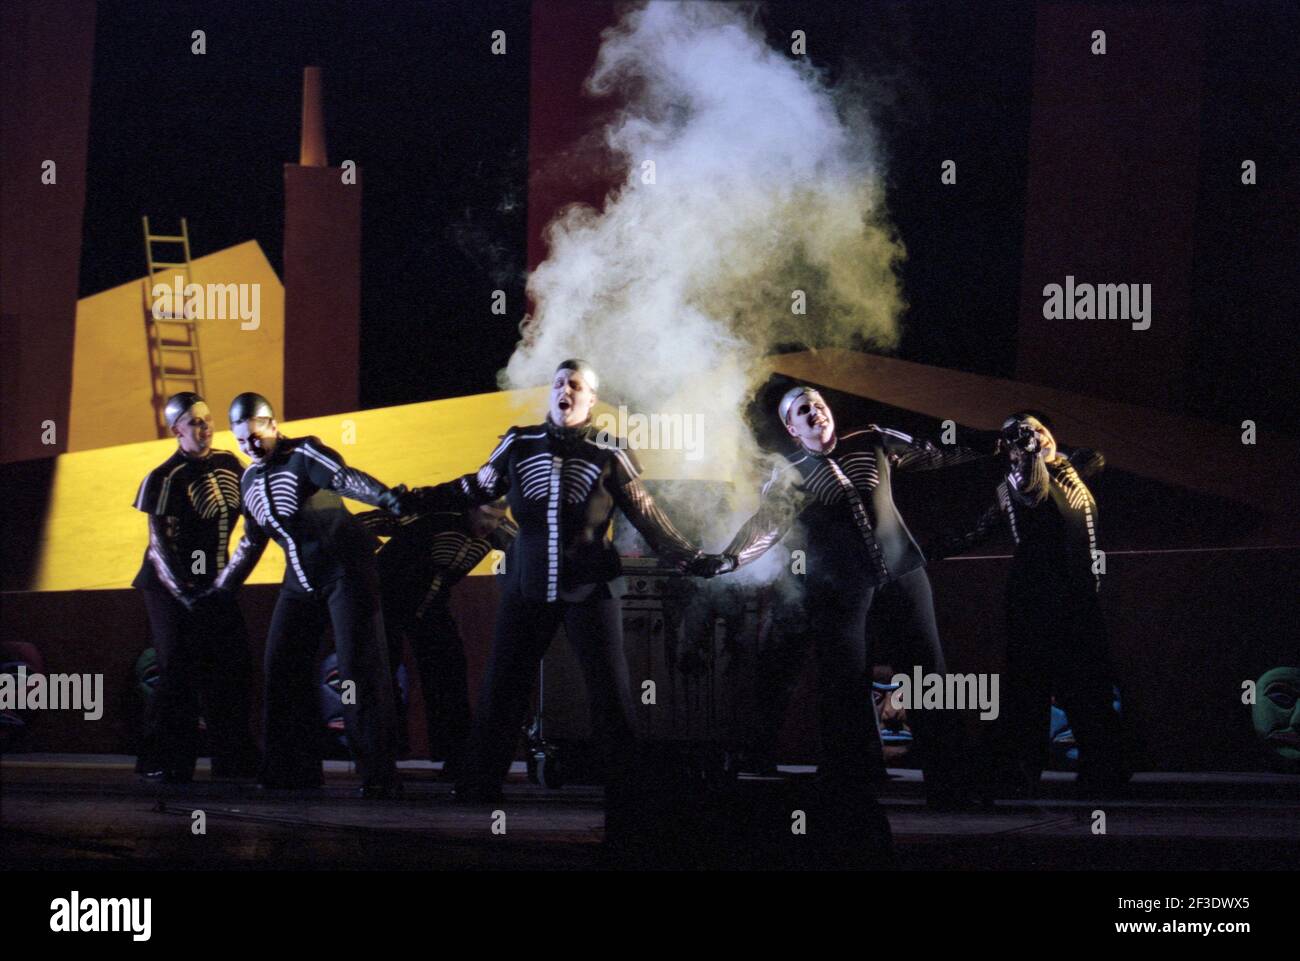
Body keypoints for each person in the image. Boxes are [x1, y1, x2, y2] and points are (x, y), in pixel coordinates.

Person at [407, 360, 704, 803]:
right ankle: (478, 784)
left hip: (590, 586)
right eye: (559, 382)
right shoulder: (518, 441)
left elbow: (646, 514)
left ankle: (629, 792)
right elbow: (476, 487)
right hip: (527, 584)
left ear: (590, 399)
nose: (565, 389)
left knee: (609, 689)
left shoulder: (610, 448)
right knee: (503, 684)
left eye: (576, 384)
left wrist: (690, 556)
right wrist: (413, 497)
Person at [690, 385, 986, 807]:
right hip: (842, 587)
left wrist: (997, 447)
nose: (814, 412)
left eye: (818, 405)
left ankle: (951, 779)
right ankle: (855, 778)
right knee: (846, 679)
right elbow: (766, 526)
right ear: (793, 429)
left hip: (903, 572)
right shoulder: (789, 473)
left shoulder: (871, 439)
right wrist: (729, 559)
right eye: (802, 410)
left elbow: (935, 453)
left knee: (927, 673)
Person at [210, 392, 408, 797]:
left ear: (272, 424)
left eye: (256, 435)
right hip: (300, 582)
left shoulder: (305, 453)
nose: (250, 446)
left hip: (346, 572)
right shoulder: (249, 479)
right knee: (281, 667)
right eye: (241, 439)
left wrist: (387, 496)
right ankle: (290, 769)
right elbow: (251, 543)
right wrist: (221, 590)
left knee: (360, 670)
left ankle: (379, 775)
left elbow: (344, 478)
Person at [929, 411, 1129, 797]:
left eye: (1039, 428)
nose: (1036, 436)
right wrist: (926, 551)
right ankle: (1018, 773)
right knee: (1029, 688)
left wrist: (1056, 455)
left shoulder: (1069, 470)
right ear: (1013, 450)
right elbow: (1019, 500)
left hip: (1079, 597)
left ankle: (1102, 771)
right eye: (1024, 435)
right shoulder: (1020, 481)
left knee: (1089, 685)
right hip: (1036, 597)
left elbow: (1092, 459)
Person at [131, 392, 258, 783]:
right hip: (168, 584)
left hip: (216, 582)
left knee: (231, 666)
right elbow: (159, 546)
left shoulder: (229, 463)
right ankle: (164, 760)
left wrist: (224, 584)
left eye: (207, 420)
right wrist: (185, 594)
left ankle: (234, 761)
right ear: (176, 431)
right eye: (195, 423)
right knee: (178, 668)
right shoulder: (165, 476)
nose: (205, 428)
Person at [355, 500, 518, 780]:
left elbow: (524, 552)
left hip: (432, 604)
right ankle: (381, 758)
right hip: (385, 601)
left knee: (449, 672)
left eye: (496, 518)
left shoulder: (501, 531)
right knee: (381, 677)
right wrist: (358, 560)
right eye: (485, 516)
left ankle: (456, 756)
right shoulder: (431, 515)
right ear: (469, 509)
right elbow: (363, 523)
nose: (489, 526)